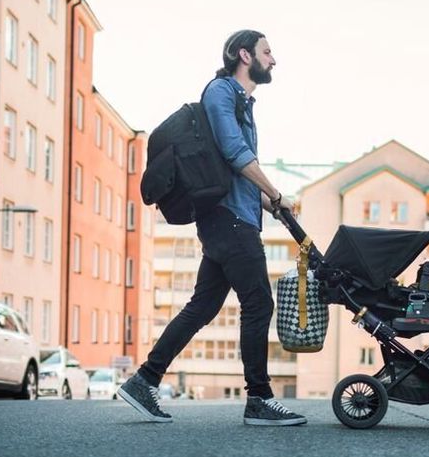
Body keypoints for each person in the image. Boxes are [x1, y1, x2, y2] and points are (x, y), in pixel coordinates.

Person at [119, 30, 307, 426]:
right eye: (267, 52)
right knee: (258, 303)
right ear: (244, 55)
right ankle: (259, 398)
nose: (273, 60)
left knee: (203, 306)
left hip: (234, 215)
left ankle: (144, 379)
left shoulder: (243, 102)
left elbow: (234, 169)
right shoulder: (221, 93)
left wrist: (268, 204)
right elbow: (236, 154)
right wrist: (275, 192)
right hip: (228, 220)